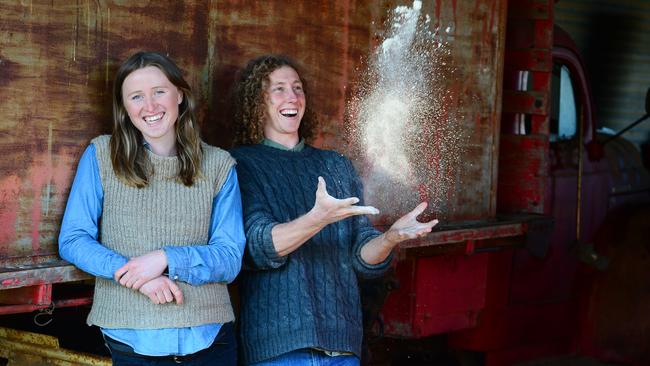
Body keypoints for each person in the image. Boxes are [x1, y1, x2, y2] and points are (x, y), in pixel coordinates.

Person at [230, 54, 439, 365]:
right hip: (279, 349)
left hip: (342, 345)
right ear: (257, 101)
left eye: (298, 88)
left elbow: (361, 259)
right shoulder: (242, 164)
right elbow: (258, 248)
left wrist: (390, 238)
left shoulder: (335, 165)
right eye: (279, 89)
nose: (292, 97)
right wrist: (318, 219)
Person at [58, 51, 244, 365]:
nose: (150, 106)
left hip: (210, 337)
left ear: (180, 96)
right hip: (133, 339)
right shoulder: (102, 155)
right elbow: (73, 239)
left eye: (159, 92)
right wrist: (138, 276)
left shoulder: (218, 164)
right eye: (136, 97)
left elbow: (229, 256)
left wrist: (166, 258)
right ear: (124, 108)